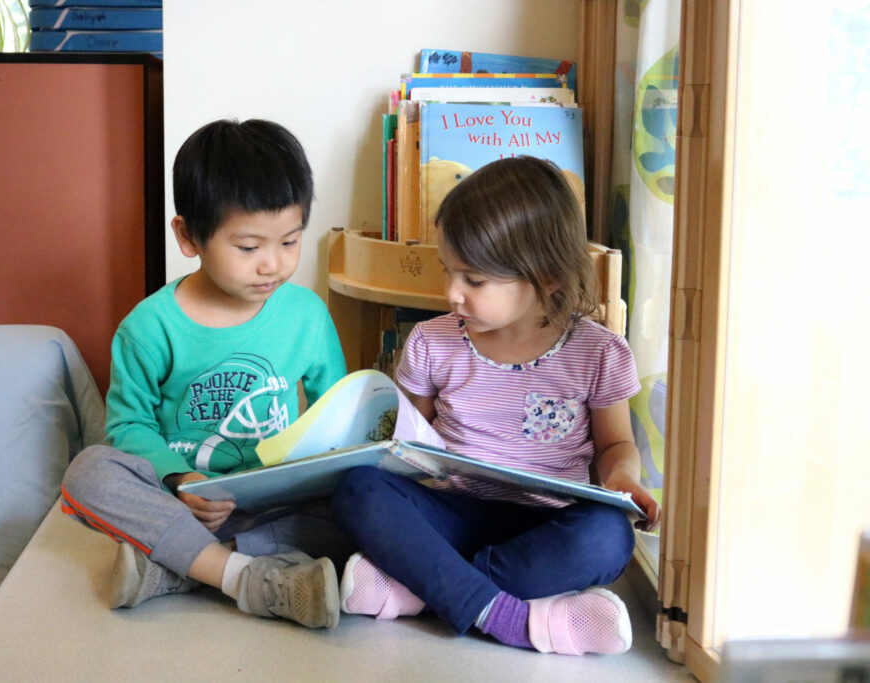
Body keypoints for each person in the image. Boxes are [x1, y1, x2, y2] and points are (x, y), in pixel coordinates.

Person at [332, 156, 662, 656]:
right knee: (358, 488)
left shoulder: (598, 352)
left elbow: (615, 444)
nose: (451, 293)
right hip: (452, 508)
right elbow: (405, 443)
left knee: (607, 536)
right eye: (449, 272)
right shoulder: (430, 342)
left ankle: (423, 588)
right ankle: (522, 618)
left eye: (474, 281)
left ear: (547, 278)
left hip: (546, 521)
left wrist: (622, 479)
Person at [61, 119, 350, 629]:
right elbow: (128, 427)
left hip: (274, 503)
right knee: (89, 470)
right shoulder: (149, 327)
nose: (273, 265)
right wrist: (183, 480)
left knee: (369, 503)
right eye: (248, 247)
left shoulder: (307, 314)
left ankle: (180, 570)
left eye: (290, 241)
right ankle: (247, 576)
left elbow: (337, 413)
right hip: (181, 504)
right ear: (189, 236)